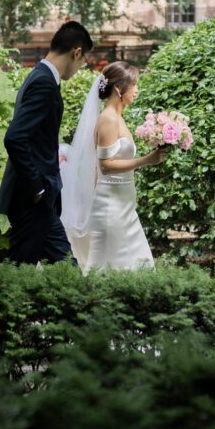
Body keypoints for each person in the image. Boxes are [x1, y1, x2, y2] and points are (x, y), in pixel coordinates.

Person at [0, 21, 92, 264]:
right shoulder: (44, 83)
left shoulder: (38, 75)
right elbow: (15, 138)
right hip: (33, 199)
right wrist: (37, 186)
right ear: (76, 52)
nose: (81, 67)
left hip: (32, 199)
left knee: (22, 266)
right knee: (63, 267)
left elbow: (33, 137)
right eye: (83, 61)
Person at [60, 61, 167, 274]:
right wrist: (146, 160)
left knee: (133, 262)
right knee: (111, 266)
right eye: (134, 85)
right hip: (110, 206)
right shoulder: (108, 119)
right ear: (118, 88)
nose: (137, 90)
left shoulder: (118, 117)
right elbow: (106, 166)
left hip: (123, 203)